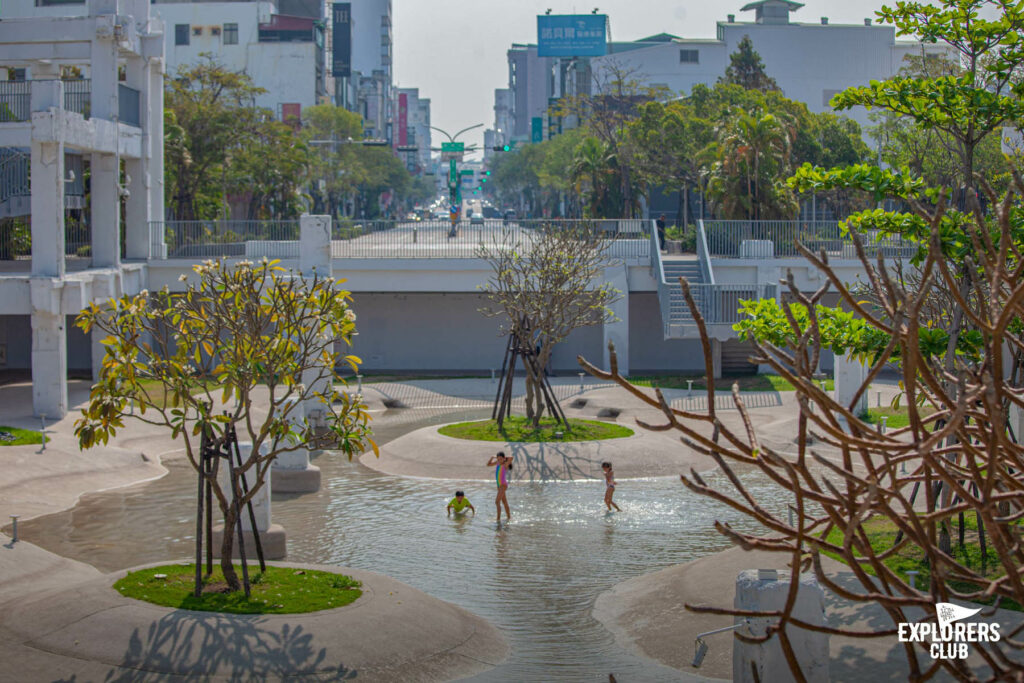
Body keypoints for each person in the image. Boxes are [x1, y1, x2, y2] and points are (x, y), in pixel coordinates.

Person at [486, 451, 514, 522]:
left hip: (503, 485)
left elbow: (511, 458)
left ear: (504, 458)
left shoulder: (505, 464)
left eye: (500, 459)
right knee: (504, 502)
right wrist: (492, 458)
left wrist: (504, 458)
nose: (499, 460)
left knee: (497, 502)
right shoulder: (497, 463)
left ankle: (498, 519)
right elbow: (488, 464)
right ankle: (509, 517)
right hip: (499, 486)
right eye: (498, 459)